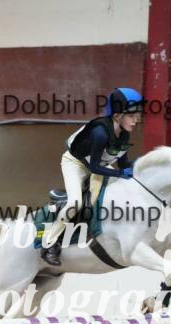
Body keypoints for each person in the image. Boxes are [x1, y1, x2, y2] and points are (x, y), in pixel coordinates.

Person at [41, 87, 143, 266]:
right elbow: (96, 167)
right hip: (75, 163)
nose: (136, 120)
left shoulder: (124, 134)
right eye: (131, 116)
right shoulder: (100, 133)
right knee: (75, 203)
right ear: (117, 116)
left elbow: (123, 164)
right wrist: (119, 173)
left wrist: (142, 166)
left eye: (137, 115)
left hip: (98, 164)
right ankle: (49, 243)